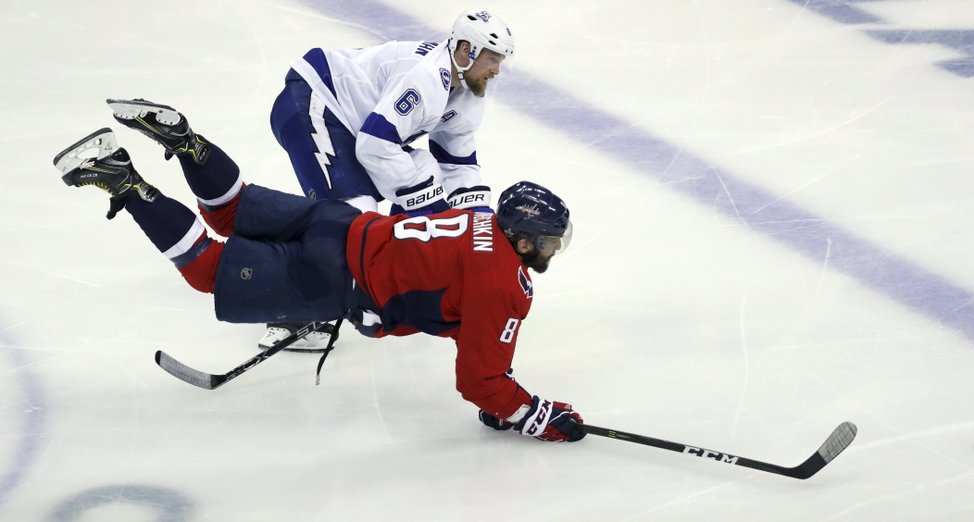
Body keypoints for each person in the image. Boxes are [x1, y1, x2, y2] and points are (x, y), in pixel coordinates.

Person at [53, 98, 586, 443]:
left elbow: (449, 305)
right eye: (546, 242)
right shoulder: (505, 286)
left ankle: (187, 142)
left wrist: (502, 404)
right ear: (521, 239)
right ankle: (126, 182)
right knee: (210, 270)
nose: (552, 250)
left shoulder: (476, 221)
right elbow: (479, 379)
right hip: (335, 277)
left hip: (342, 222)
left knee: (231, 207)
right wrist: (533, 414)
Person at [262, 8, 515, 351]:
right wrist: (435, 214)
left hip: (354, 126)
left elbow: (458, 165)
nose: (496, 70)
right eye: (492, 59)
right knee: (353, 217)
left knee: (423, 172)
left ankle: (381, 281)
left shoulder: (468, 92)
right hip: (313, 101)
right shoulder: (427, 78)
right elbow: (376, 145)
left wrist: (480, 229)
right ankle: (289, 312)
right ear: (466, 50)